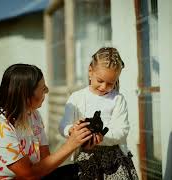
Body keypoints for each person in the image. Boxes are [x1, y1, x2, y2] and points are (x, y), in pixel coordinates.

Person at [0, 64, 92, 179]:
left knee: (80, 170)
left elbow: (45, 164)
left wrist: (80, 138)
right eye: (43, 88)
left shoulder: (33, 115)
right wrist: (70, 144)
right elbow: (29, 175)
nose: (47, 91)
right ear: (26, 95)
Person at [59, 47, 138, 179]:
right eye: (100, 81)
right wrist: (71, 130)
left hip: (114, 160)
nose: (103, 87)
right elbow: (63, 126)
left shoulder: (117, 99)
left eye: (110, 83)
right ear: (90, 71)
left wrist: (102, 137)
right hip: (85, 158)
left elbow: (122, 131)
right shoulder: (76, 97)